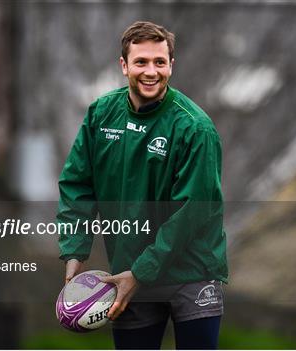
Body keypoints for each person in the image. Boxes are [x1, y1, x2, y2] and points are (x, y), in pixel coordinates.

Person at [57, 21, 228, 349]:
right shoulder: (101, 115)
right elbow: (77, 183)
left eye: (159, 62)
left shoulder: (195, 128)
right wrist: (74, 251)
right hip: (128, 274)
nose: (151, 71)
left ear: (171, 65)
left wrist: (141, 272)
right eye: (141, 62)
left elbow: (191, 213)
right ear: (124, 66)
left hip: (189, 272)